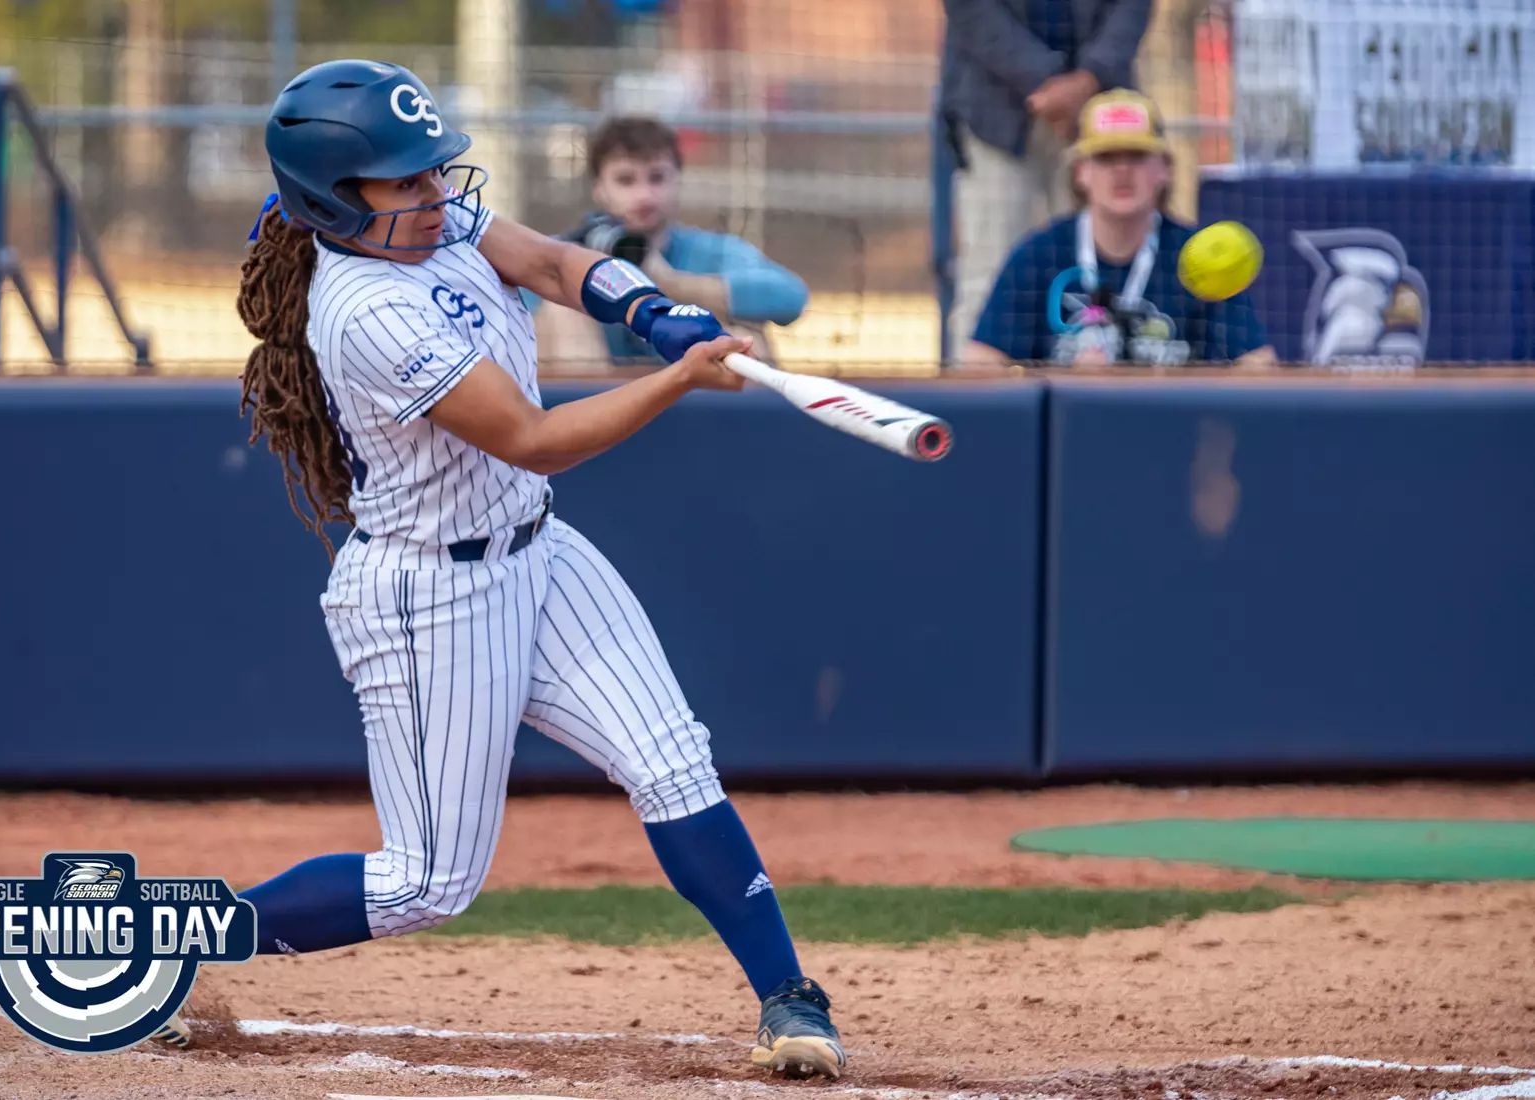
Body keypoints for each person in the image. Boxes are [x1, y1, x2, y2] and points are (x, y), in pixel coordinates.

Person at [169, 59, 846, 1080]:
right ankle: (167, 947)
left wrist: (651, 309)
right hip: (427, 594)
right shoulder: (364, 309)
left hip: (540, 549)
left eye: (437, 171)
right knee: (426, 882)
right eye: (406, 182)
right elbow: (530, 435)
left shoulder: (439, 222)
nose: (437, 193)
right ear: (332, 201)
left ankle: (790, 997)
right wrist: (678, 379)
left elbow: (560, 264)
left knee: (672, 760)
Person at [967, 89, 1276, 368]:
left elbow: (1259, 364)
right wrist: (1061, 384)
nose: (1122, 170)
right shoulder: (1039, 255)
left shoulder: (1197, 256)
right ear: (1080, 172)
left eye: (1137, 156)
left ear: (1164, 170)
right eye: (1106, 157)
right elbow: (981, 363)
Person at [940, 0, 1153, 360]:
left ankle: (1108, 398)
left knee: (1099, 267)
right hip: (995, 110)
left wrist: (1088, 79)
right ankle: (980, 407)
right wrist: (1045, 79)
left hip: (1100, 115)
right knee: (987, 275)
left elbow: (1132, 8)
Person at [531, 116, 809, 370]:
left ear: (677, 179)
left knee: (741, 332)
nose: (644, 195)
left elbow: (791, 299)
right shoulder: (568, 249)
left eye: (657, 178)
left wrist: (670, 283)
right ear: (598, 189)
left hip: (693, 406)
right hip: (594, 405)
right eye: (625, 181)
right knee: (560, 311)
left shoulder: (711, 250)